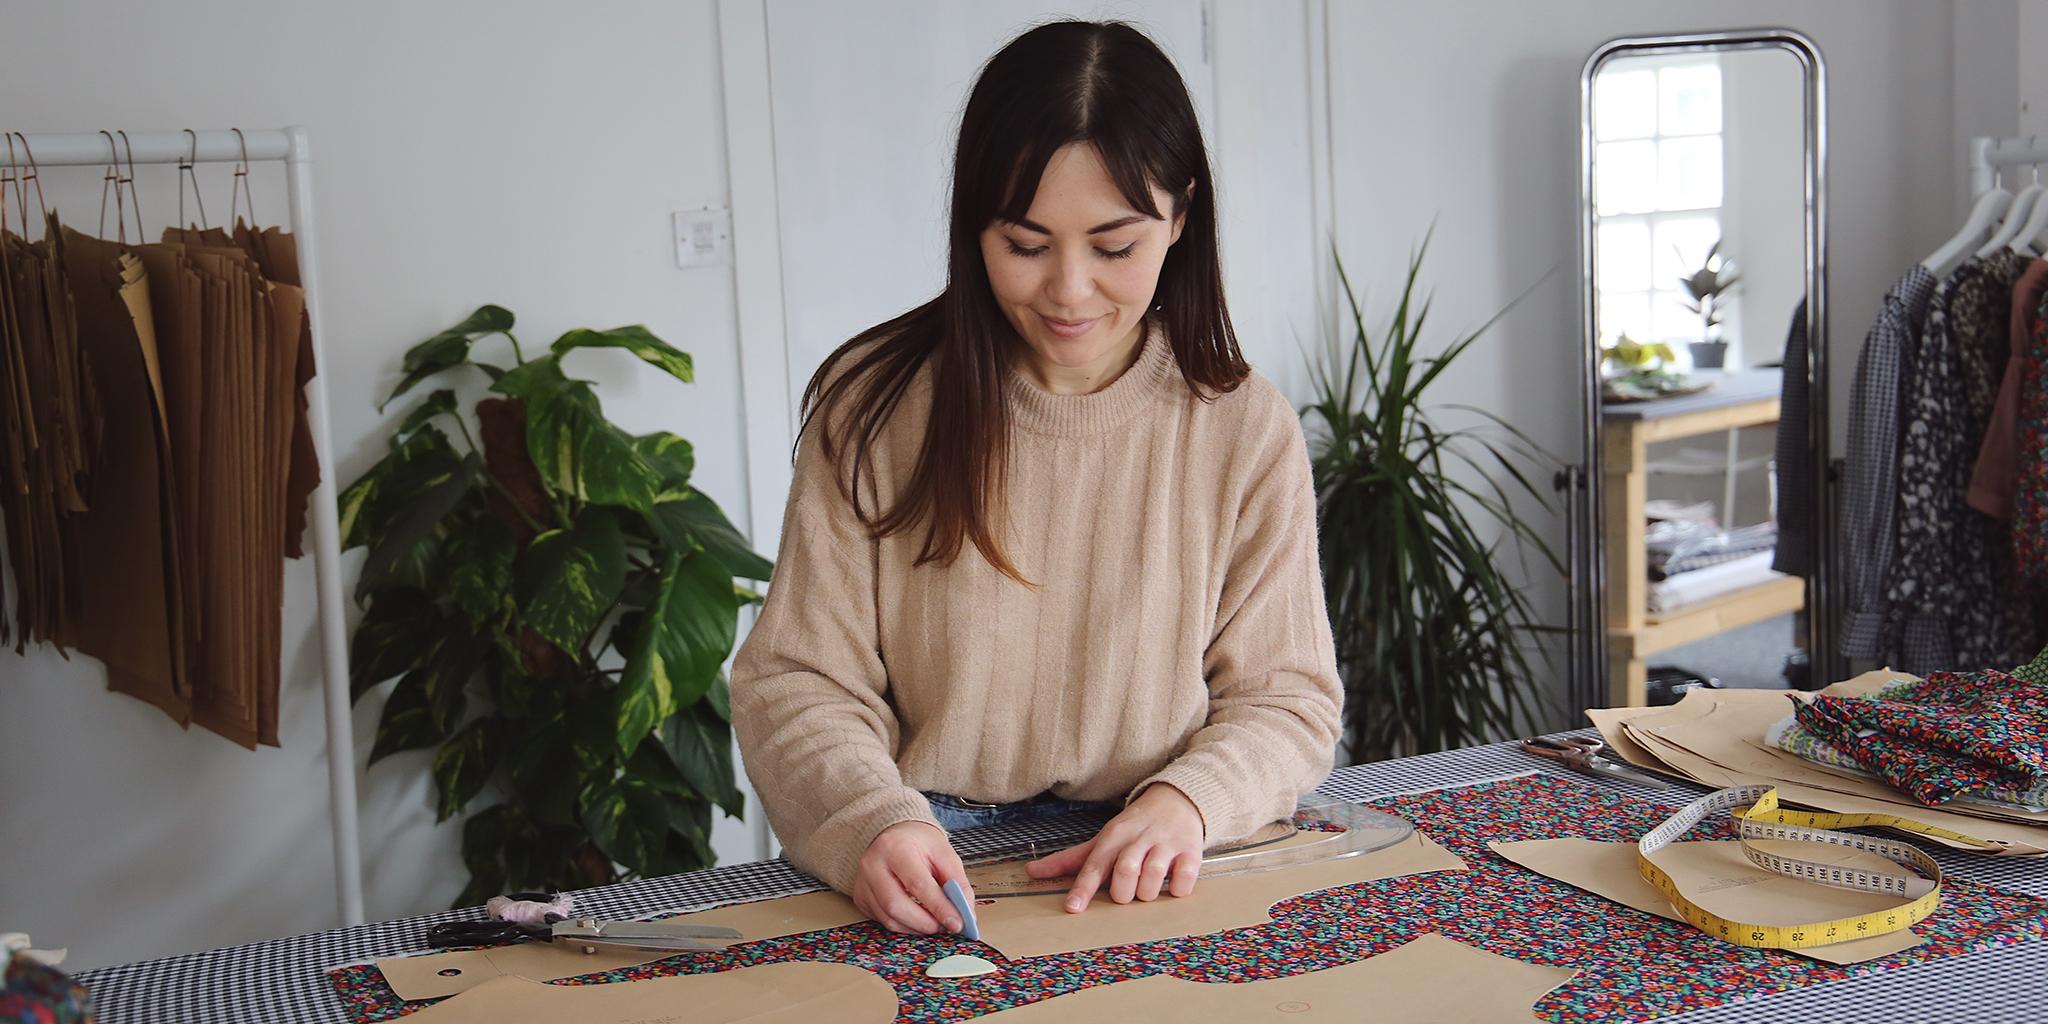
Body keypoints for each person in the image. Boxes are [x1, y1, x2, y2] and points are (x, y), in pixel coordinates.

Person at [730, 19, 1342, 937]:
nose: (1067, 291)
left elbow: (1288, 699)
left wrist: (1188, 802)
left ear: (1181, 216)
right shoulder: (873, 407)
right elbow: (796, 681)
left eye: (1113, 246)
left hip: (1153, 850)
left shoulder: (1245, 430)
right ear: (973, 225)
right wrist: (871, 824)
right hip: (922, 849)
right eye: (1024, 244)